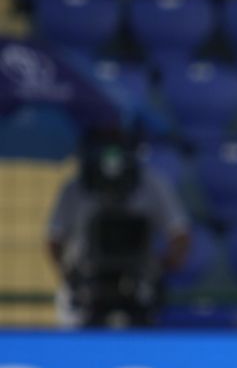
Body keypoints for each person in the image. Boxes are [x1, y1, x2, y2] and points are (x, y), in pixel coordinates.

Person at [46, 129, 191, 327]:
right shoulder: (75, 189)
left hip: (137, 281)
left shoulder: (151, 184)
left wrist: (160, 267)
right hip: (87, 280)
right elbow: (54, 238)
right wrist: (70, 275)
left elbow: (180, 233)